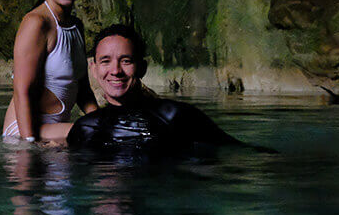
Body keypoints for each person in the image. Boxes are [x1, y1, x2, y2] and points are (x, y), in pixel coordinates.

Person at [68, 24, 270, 155]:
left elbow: (238, 152)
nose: (115, 71)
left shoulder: (177, 116)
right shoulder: (85, 129)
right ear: (93, 69)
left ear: (142, 67)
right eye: (105, 61)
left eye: (126, 61)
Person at [1, 0, 98, 141]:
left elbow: (83, 90)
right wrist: (29, 147)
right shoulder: (36, 23)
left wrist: (102, 120)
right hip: (25, 131)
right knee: (95, 135)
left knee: (108, 132)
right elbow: (21, 90)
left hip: (56, 130)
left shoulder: (76, 26)